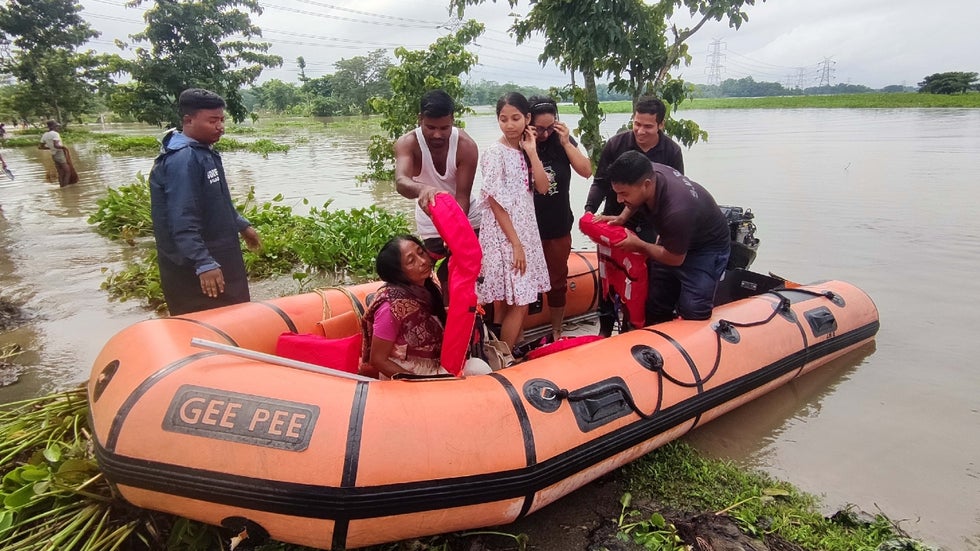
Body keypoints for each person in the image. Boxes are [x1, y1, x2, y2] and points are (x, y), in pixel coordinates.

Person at [149, 88, 261, 316]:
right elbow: (181, 218)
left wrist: (241, 225)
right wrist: (203, 262)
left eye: (222, 119)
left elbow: (218, 199)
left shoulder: (204, 153)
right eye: (212, 121)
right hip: (194, 265)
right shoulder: (183, 159)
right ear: (188, 120)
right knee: (207, 319)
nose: (220, 126)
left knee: (235, 313)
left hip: (220, 253)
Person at [584, 96, 686, 336]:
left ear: (661, 124)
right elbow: (600, 182)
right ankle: (604, 330)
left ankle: (635, 330)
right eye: (636, 123)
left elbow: (675, 190)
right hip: (614, 219)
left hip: (649, 223)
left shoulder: (671, 151)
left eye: (648, 126)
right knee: (608, 277)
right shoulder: (616, 144)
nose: (640, 131)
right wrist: (589, 210)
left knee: (642, 280)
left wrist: (665, 232)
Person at [607, 151, 731, 325]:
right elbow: (635, 199)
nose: (619, 199)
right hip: (673, 236)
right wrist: (622, 218)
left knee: (693, 310)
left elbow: (675, 258)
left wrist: (639, 246)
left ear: (646, 185)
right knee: (656, 303)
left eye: (624, 194)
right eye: (617, 193)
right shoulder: (648, 172)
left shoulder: (677, 210)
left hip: (705, 248)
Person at [477, 92, 552, 351]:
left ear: (527, 118)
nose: (509, 125)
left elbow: (543, 188)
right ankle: (505, 361)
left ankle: (511, 349)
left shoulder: (523, 150)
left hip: (525, 230)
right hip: (505, 235)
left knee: (516, 298)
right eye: (503, 119)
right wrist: (516, 245)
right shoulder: (494, 153)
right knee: (520, 300)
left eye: (516, 118)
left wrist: (532, 152)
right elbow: (495, 203)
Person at [394, 90, 481, 293]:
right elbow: (401, 182)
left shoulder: (466, 146)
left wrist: (454, 231)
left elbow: (462, 196)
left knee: (467, 274)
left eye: (444, 128)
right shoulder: (407, 143)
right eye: (430, 127)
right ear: (419, 119)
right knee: (424, 278)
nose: (437, 134)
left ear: (453, 120)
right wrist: (424, 188)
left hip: (465, 216)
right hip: (429, 219)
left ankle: (475, 319)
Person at [527, 96, 593, 342]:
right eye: (539, 128)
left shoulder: (561, 140)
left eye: (549, 127)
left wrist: (565, 142)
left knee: (557, 280)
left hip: (557, 223)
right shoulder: (521, 143)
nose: (545, 134)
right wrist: (530, 144)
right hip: (527, 227)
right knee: (524, 281)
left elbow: (586, 171)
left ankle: (556, 330)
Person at [38, 120, 71, 187]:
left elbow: (40, 147)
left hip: (53, 154)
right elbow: (56, 145)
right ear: (53, 126)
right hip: (59, 153)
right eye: (56, 126)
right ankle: (65, 188)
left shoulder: (45, 135)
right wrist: (64, 147)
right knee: (68, 171)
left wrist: (50, 148)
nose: (57, 128)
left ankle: (61, 186)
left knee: (60, 172)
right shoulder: (55, 134)